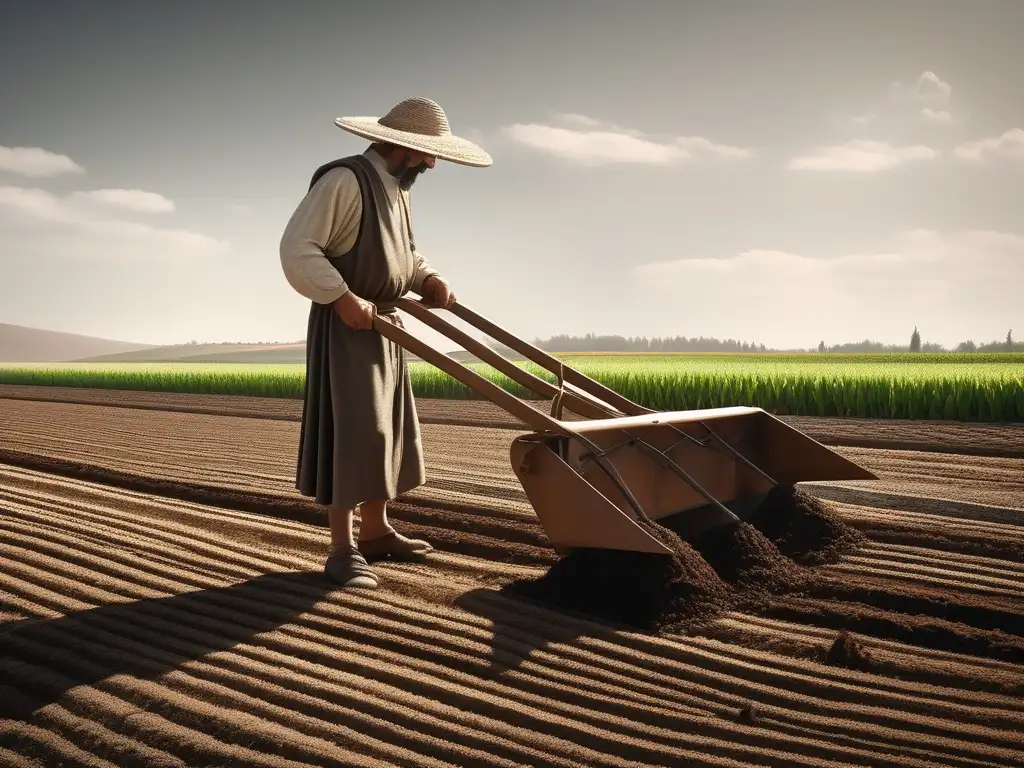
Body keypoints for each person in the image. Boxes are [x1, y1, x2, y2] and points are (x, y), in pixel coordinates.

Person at [279, 97, 492, 588]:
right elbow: (298, 247)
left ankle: (375, 532)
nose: (433, 163)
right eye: (427, 153)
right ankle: (342, 549)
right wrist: (340, 298)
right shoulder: (344, 181)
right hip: (350, 325)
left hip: (387, 325)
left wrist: (430, 280)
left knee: (388, 432)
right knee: (355, 432)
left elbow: (405, 255)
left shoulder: (397, 190)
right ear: (400, 147)